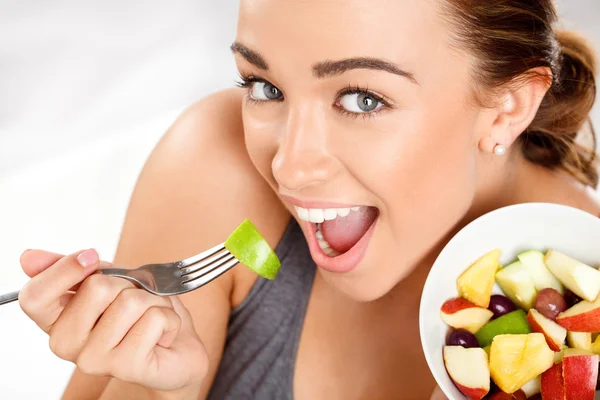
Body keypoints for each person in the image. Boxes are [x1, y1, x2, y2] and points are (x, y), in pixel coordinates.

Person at [17, 0, 598, 399]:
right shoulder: (220, 168)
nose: (288, 166)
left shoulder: (582, 314)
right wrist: (162, 387)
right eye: (264, 87)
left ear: (506, 109)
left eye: (363, 99)